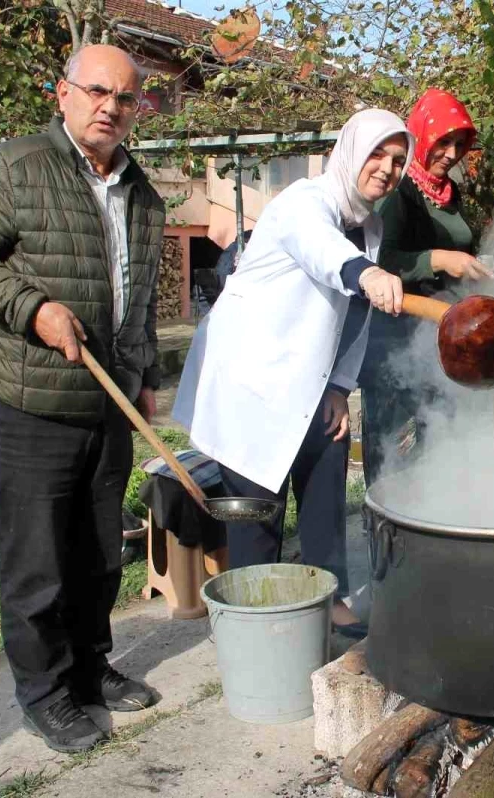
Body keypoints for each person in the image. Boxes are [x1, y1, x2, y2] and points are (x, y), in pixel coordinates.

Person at [0, 44, 163, 753]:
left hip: (108, 403)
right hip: (29, 403)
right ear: (62, 93)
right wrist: (33, 308)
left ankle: (92, 671)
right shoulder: (16, 166)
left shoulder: (142, 192)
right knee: (37, 565)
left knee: (98, 556)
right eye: (97, 91)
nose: (110, 108)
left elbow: (142, 298)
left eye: (124, 98)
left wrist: (145, 373)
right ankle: (44, 692)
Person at [172, 109, 411, 636]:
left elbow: (356, 315)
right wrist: (364, 271)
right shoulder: (305, 202)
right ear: (349, 151)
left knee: (325, 481)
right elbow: (321, 251)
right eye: (377, 154)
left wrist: (340, 387)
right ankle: (256, 617)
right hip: (253, 377)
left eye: (398, 160)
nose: (387, 169)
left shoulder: (369, 222)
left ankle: (329, 596)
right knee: (259, 505)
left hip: (309, 379)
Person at [360, 88, 484, 484]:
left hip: (444, 336)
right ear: (424, 136)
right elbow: (379, 263)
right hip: (397, 337)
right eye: (443, 141)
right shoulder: (399, 191)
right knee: (392, 444)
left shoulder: (450, 194)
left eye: (459, 144)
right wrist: (438, 259)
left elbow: (461, 246)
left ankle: (435, 520)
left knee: (441, 435)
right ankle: (385, 526)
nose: (451, 153)